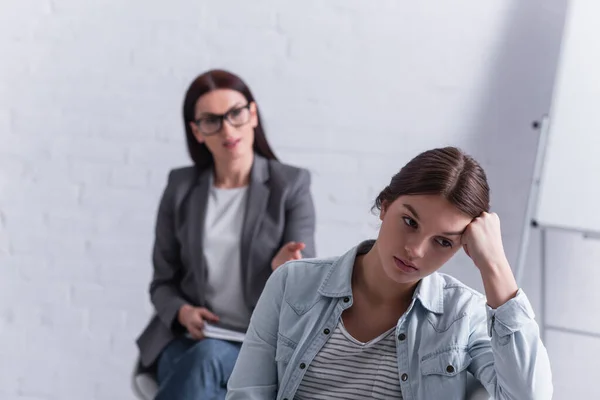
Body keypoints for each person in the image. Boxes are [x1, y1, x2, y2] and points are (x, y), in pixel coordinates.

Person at [226, 147, 553, 399]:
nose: (416, 250)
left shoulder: (463, 315)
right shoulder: (292, 283)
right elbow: (246, 393)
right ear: (385, 205)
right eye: (410, 222)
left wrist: (495, 265)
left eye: (442, 241)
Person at [135, 69, 316, 400]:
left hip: (256, 346)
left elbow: (310, 289)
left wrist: (285, 270)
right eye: (211, 120)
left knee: (208, 366)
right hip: (187, 342)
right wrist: (182, 312)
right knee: (202, 365)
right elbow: (162, 282)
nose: (227, 129)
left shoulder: (290, 185)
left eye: (235, 114)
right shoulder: (180, 187)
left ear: (253, 114)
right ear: (197, 131)